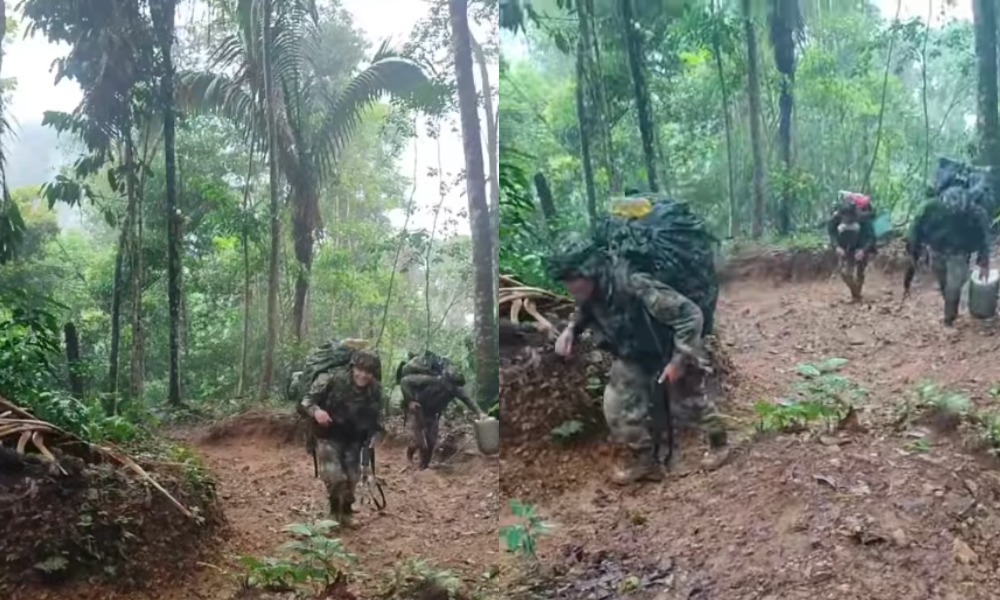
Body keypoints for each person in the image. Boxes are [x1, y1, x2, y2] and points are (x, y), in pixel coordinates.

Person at [548, 236, 728, 486]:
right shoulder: (591, 289)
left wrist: (679, 360)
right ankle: (647, 462)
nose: (570, 287)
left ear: (591, 271)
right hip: (634, 353)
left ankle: (719, 443)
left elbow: (690, 316)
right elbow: (584, 308)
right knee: (616, 408)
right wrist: (571, 330)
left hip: (671, 347)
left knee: (692, 403)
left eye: (573, 279)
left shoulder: (634, 283)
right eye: (566, 281)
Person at [299, 350, 383, 524]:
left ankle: (346, 513)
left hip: (354, 439)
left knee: (353, 477)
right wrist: (317, 412)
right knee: (336, 477)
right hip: (327, 435)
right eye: (359, 370)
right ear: (352, 368)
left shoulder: (375, 391)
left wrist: (367, 457)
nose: (362, 375)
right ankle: (333, 512)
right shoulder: (332, 379)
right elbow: (306, 402)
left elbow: (376, 424)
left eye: (368, 372)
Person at [905, 184, 991, 326]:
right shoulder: (931, 207)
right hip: (937, 251)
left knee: (953, 286)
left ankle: (948, 319)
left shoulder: (973, 211)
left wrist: (984, 261)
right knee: (945, 284)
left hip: (959, 254)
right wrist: (914, 249)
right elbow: (916, 226)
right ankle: (952, 307)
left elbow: (983, 236)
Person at [397, 352, 484, 469]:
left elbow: (469, 400)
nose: (450, 388)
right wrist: (410, 400)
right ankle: (409, 458)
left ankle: (424, 467)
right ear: (444, 379)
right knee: (419, 442)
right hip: (418, 410)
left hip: (433, 414)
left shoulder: (456, 389)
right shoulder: (429, 379)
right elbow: (404, 381)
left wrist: (480, 413)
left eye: (453, 386)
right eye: (449, 384)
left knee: (431, 442)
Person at [827, 191, 877, 302]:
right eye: (846, 217)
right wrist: (836, 247)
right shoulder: (835, 219)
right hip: (845, 247)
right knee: (844, 272)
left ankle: (857, 294)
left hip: (861, 246)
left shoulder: (864, 219)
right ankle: (856, 293)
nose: (848, 219)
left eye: (851, 217)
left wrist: (863, 251)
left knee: (860, 270)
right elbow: (831, 233)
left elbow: (871, 237)